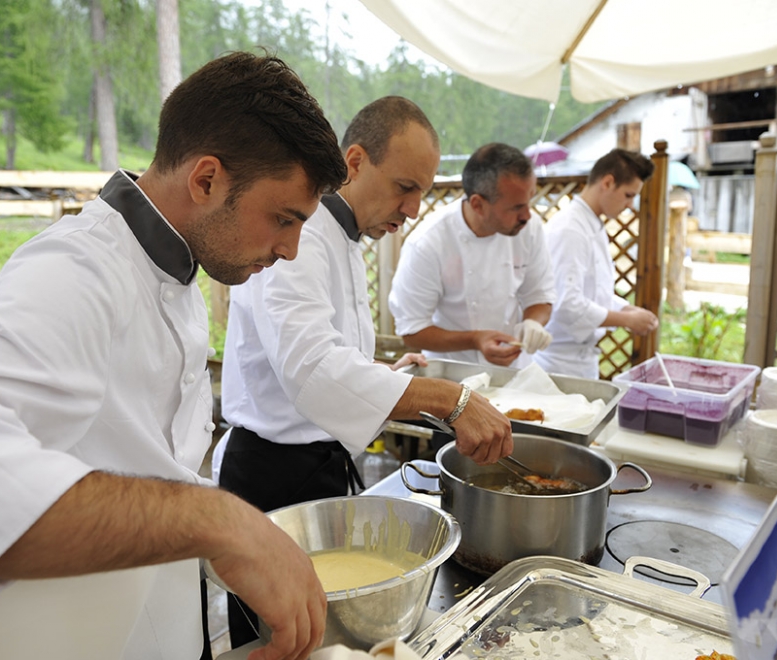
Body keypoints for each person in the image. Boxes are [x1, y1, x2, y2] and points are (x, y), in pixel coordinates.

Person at [0, 52, 349, 660]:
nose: (292, 250)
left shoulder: (175, 273)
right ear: (206, 180)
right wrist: (219, 520)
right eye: (283, 218)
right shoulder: (79, 269)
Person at [216, 97, 514, 648]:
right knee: (282, 644)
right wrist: (449, 398)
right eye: (405, 186)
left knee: (329, 644)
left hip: (322, 470)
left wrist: (386, 372)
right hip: (272, 478)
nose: (415, 207)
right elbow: (311, 371)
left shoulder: (347, 237)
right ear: (354, 161)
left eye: (422, 191)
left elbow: (330, 355)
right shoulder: (301, 237)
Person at [388, 143, 556, 370]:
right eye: (516, 207)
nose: (527, 215)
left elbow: (539, 295)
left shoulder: (529, 228)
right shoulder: (428, 243)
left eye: (529, 201)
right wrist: (475, 340)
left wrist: (533, 323)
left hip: (514, 372)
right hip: (451, 375)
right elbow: (412, 331)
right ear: (478, 204)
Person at [533, 148, 659, 379]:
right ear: (608, 182)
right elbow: (567, 303)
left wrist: (625, 309)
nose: (630, 205)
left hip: (581, 360)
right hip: (557, 364)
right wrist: (626, 319)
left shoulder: (591, 223)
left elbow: (593, 293)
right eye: (629, 195)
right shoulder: (570, 228)